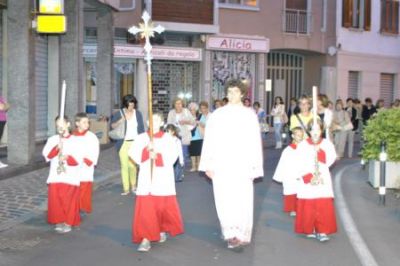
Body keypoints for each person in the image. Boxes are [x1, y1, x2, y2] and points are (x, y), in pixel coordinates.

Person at [199, 79, 264, 250]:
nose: (232, 95)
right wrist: (208, 164)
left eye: (235, 91)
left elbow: (255, 142)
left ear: (242, 94)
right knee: (224, 198)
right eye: (229, 92)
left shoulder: (249, 115)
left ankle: (241, 233)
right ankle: (230, 234)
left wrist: (255, 166)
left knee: (242, 198)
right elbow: (210, 140)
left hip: (242, 163)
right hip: (222, 163)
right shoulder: (217, 115)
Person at [129, 113, 184, 252]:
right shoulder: (141, 138)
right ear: (148, 122)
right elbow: (133, 153)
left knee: (160, 208)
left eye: (157, 120)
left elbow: (173, 156)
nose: (154, 122)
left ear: (161, 123)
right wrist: (146, 152)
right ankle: (146, 238)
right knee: (146, 209)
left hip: (162, 178)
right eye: (151, 119)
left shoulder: (168, 139)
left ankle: (160, 228)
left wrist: (157, 156)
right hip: (146, 178)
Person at [295, 119, 337, 242]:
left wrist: (321, 153)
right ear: (308, 130)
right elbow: (298, 163)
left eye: (318, 129)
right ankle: (309, 228)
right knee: (309, 205)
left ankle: (322, 230)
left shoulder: (327, 144)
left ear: (322, 130)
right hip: (308, 180)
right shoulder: (302, 145)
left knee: (322, 204)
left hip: (322, 178)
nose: (315, 132)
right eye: (312, 129)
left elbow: (331, 159)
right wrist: (307, 177)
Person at [42, 116, 81, 234]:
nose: (60, 127)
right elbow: (46, 156)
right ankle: (59, 220)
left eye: (62, 124)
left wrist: (68, 157)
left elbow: (79, 158)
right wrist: (56, 148)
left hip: (69, 176)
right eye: (57, 124)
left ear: (68, 124)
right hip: (56, 175)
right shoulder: (53, 139)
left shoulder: (75, 140)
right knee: (56, 200)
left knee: (68, 200)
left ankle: (68, 222)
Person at [111, 95, 145, 196]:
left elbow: (141, 129)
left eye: (133, 105)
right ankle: (126, 188)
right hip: (123, 143)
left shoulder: (138, 114)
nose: (131, 107)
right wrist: (122, 120)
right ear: (125, 105)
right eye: (129, 105)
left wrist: (142, 142)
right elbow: (112, 126)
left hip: (134, 143)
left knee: (132, 166)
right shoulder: (119, 113)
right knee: (124, 165)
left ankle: (133, 186)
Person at [272, 127, 304, 217]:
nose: (300, 137)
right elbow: (283, 163)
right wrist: (281, 175)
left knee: (302, 191)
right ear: (293, 136)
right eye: (298, 135)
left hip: (302, 173)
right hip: (291, 174)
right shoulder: (288, 150)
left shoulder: (306, 148)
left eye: (301, 135)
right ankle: (293, 208)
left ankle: (301, 207)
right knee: (292, 190)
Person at [73, 113, 100, 214]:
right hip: (74, 166)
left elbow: (95, 151)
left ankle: (83, 207)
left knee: (84, 188)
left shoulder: (91, 137)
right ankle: (74, 207)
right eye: (84, 122)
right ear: (77, 123)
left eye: (88, 122)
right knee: (75, 188)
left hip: (85, 166)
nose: (87, 124)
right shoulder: (72, 136)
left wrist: (88, 160)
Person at [167, 98, 195, 165]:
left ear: (182, 104)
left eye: (180, 103)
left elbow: (193, 122)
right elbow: (169, 124)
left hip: (184, 135)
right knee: (175, 154)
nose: (178, 105)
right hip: (174, 136)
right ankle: (177, 171)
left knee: (184, 154)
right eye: (176, 103)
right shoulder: (171, 112)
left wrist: (185, 122)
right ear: (174, 105)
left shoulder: (186, 111)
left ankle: (182, 170)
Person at [188, 102, 203, 172]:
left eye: (193, 109)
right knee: (192, 153)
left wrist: (199, 123)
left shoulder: (200, 116)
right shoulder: (187, 117)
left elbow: (204, 125)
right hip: (191, 137)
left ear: (196, 110)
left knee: (199, 152)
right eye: (190, 109)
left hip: (199, 136)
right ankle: (193, 166)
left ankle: (199, 166)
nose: (192, 111)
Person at [0, 95, 9, 168]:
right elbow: (3, 107)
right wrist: (4, 106)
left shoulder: (0, 96)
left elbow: (7, 107)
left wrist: (5, 106)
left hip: (2, 120)